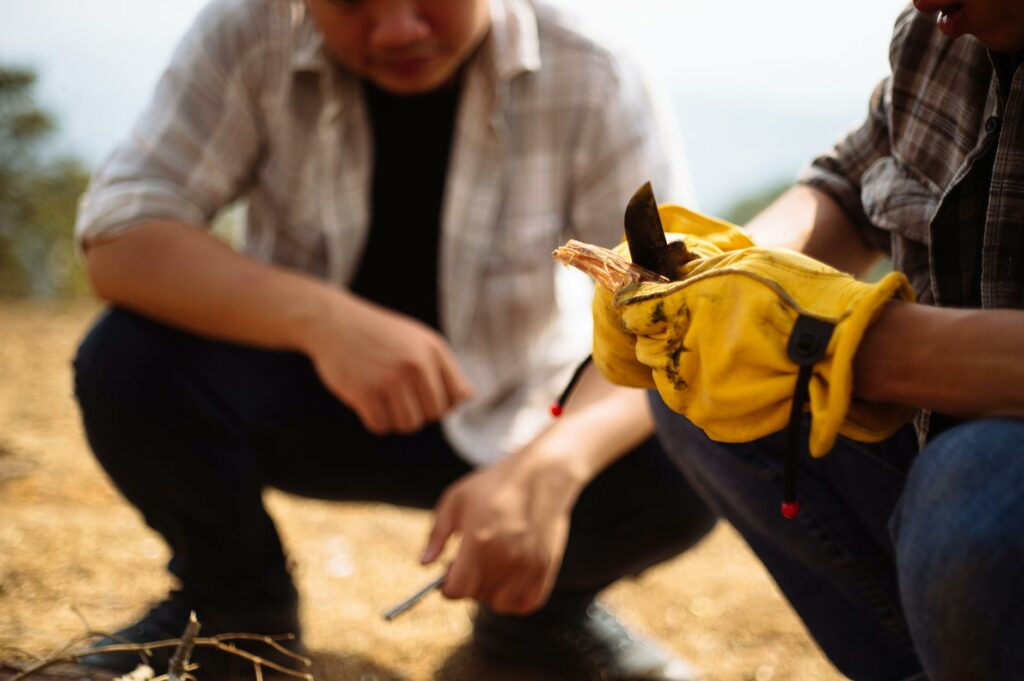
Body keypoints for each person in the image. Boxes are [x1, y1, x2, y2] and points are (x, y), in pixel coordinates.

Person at [71, 0, 717, 679]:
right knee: (130, 360)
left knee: (695, 434)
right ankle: (229, 607)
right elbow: (120, 232)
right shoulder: (248, 31)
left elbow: (672, 313)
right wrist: (323, 320)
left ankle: (537, 622)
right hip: (300, 398)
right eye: (351, 3)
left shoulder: (594, 69)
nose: (397, 29)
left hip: (523, 417)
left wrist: (552, 465)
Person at [591, 1, 1024, 680]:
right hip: (936, 455)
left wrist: (857, 346)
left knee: (979, 480)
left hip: (981, 483)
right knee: (702, 379)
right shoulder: (937, 34)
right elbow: (850, 186)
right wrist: (723, 273)